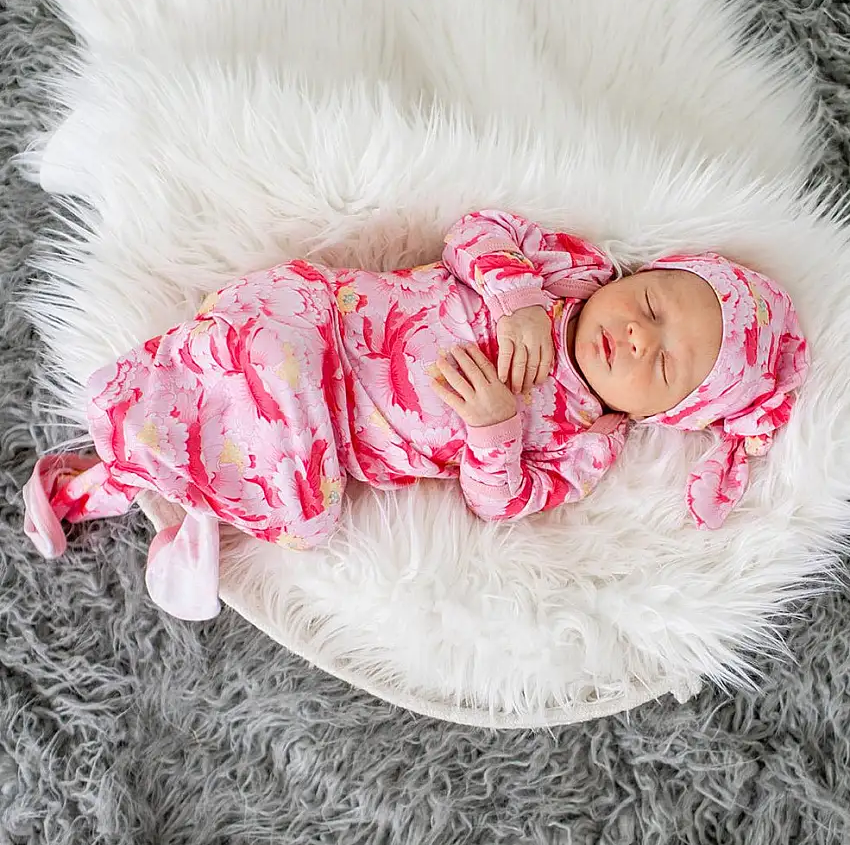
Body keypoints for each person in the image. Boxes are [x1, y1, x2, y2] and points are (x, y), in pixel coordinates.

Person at [22, 210, 809, 620]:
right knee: (261, 352)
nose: (638, 335)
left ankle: (145, 500)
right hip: (327, 324)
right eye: (650, 304)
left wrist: (495, 428)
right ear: (636, 277)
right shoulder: (570, 274)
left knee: (302, 502)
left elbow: (500, 502)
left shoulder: (589, 444)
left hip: (342, 433)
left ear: (670, 415)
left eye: (663, 364)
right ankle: (146, 484)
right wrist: (518, 299)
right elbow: (475, 231)